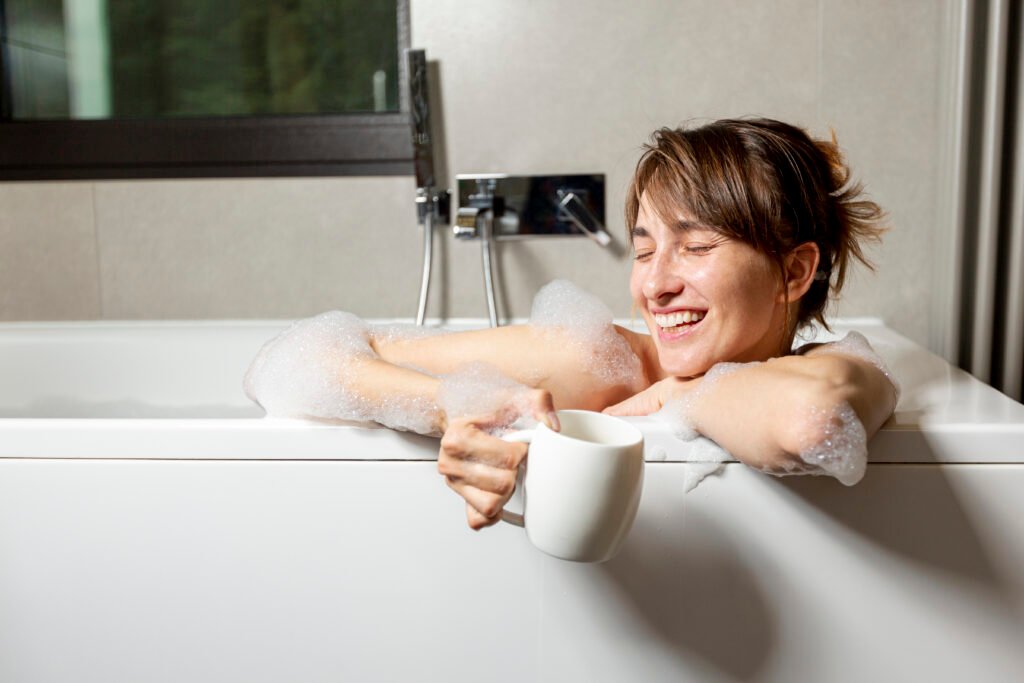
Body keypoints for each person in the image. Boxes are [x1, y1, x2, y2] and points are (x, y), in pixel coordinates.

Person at [246, 117, 899, 530]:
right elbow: (315, 356)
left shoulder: (834, 368)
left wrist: (680, 394)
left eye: (696, 248)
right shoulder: (602, 361)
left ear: (794, 272)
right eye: (644, 249)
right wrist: (447, 406)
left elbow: (811, 424)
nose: (655, 283)